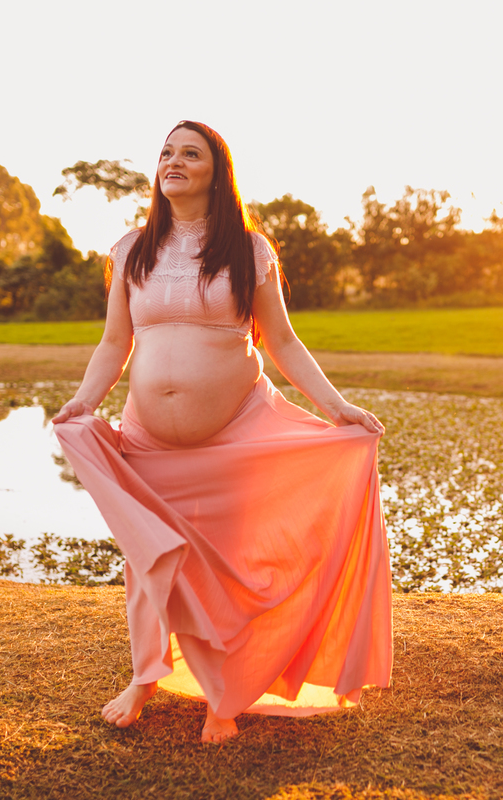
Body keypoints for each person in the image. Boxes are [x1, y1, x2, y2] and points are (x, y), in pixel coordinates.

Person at [50, 120, 392, 744]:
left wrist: (336, 406)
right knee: (151, 565)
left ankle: (224, 697)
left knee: (230, 566)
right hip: (148, 437)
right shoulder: (131, 249)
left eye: (190, 153)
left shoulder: (249, 250)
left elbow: (282, 340)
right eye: (166, 152)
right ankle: (144, 678)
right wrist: (82, 402)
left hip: (235, 430)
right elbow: (114, 342)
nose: (173, 161)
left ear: (216, 170)